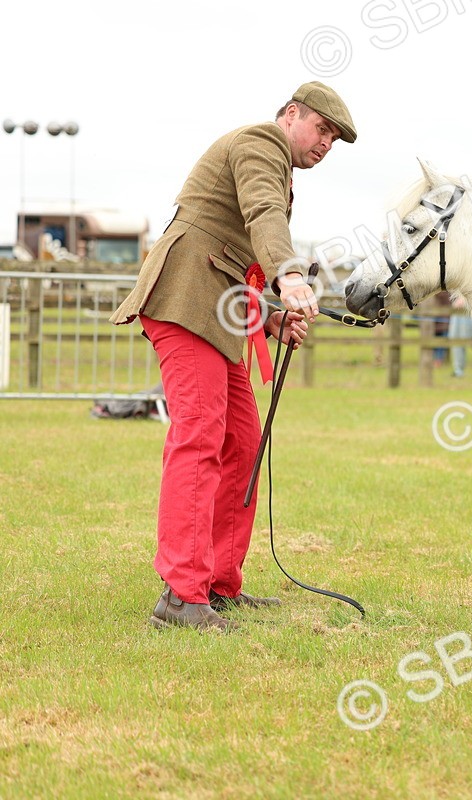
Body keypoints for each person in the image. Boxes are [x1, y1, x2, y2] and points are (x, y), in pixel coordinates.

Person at [110, 82, 358, 632]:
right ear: (291, 114)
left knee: (242, 441)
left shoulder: (278, 164)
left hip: (216, 312)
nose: (326, 144)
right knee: (199, 438)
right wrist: (290, 276)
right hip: (185, 302)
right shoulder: (260, 142)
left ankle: (218, 584)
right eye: (322, 129)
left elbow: (236, 259)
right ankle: (181, 594)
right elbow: (264, 213)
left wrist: (271, 317)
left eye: (334, 139)